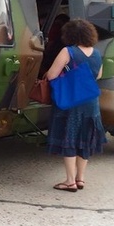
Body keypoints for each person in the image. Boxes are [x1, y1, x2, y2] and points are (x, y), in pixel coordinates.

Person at [45, 19, 106, 192]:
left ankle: (70, 181)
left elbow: (51, 75)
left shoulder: (68, 51)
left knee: (69, 138)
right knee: (84, 139)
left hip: (71, 101)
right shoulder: (96, 53)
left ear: (70, 35)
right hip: (90, 102)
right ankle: (80, 179)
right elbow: (98, 75)